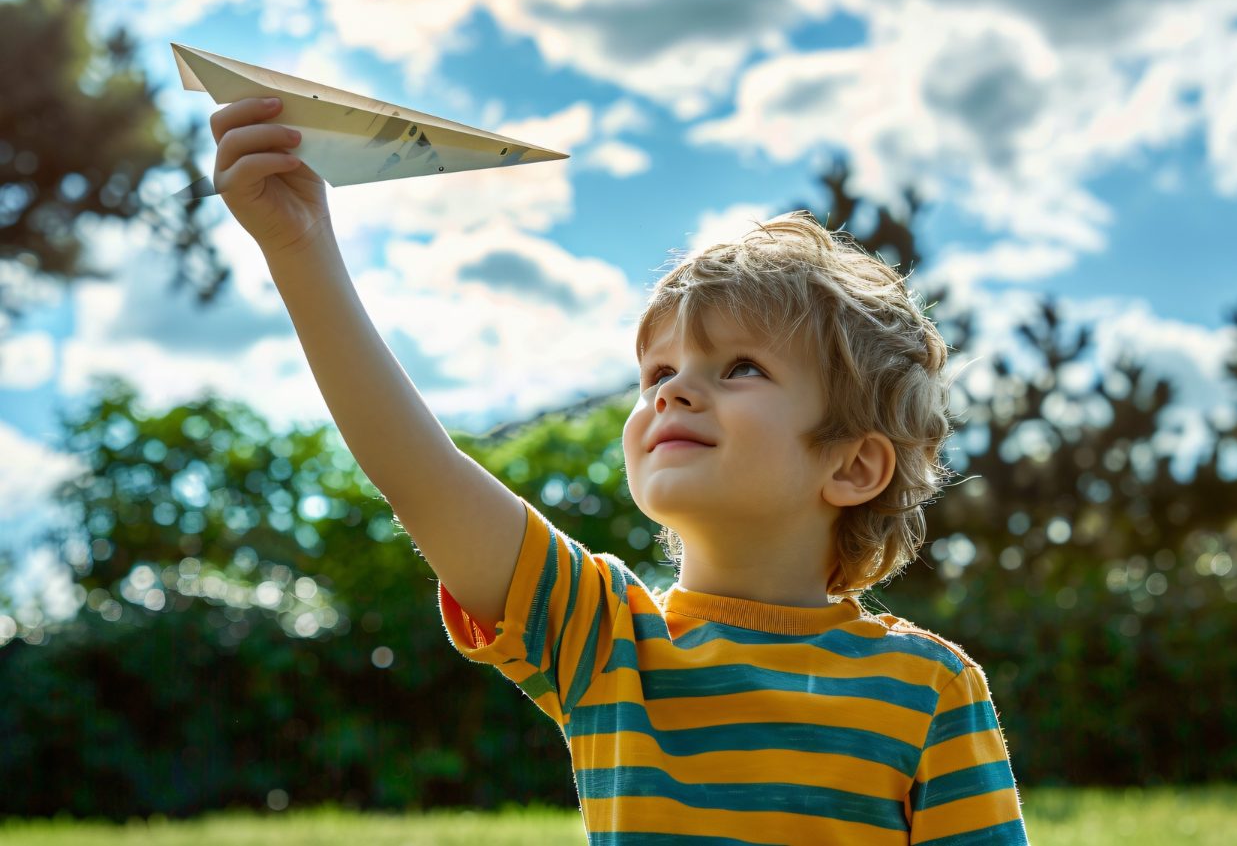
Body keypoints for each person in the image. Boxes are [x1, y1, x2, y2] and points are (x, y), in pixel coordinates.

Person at [212, 95, 1030, 844]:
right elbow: (417, 470)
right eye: (656, 374)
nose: (674, 389)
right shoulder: (604, 636)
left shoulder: (931, 690)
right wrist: (300, 247)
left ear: (853, 465)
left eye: (739, 366)